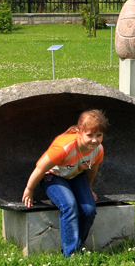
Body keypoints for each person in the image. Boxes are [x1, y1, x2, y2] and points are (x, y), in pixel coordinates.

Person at [21, 109, 107, 256]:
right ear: (79, 133)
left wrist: (88, 189)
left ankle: (77, 245)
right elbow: (41, 168)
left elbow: (92, 171)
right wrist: (30, 189)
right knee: (69, 205)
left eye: (98, 135)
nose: (94, 140)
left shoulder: (98, 150)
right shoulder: (64, 147)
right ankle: (70, 254)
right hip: (52, 175)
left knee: (88, 209)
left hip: (75, 175)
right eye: (89, 135)